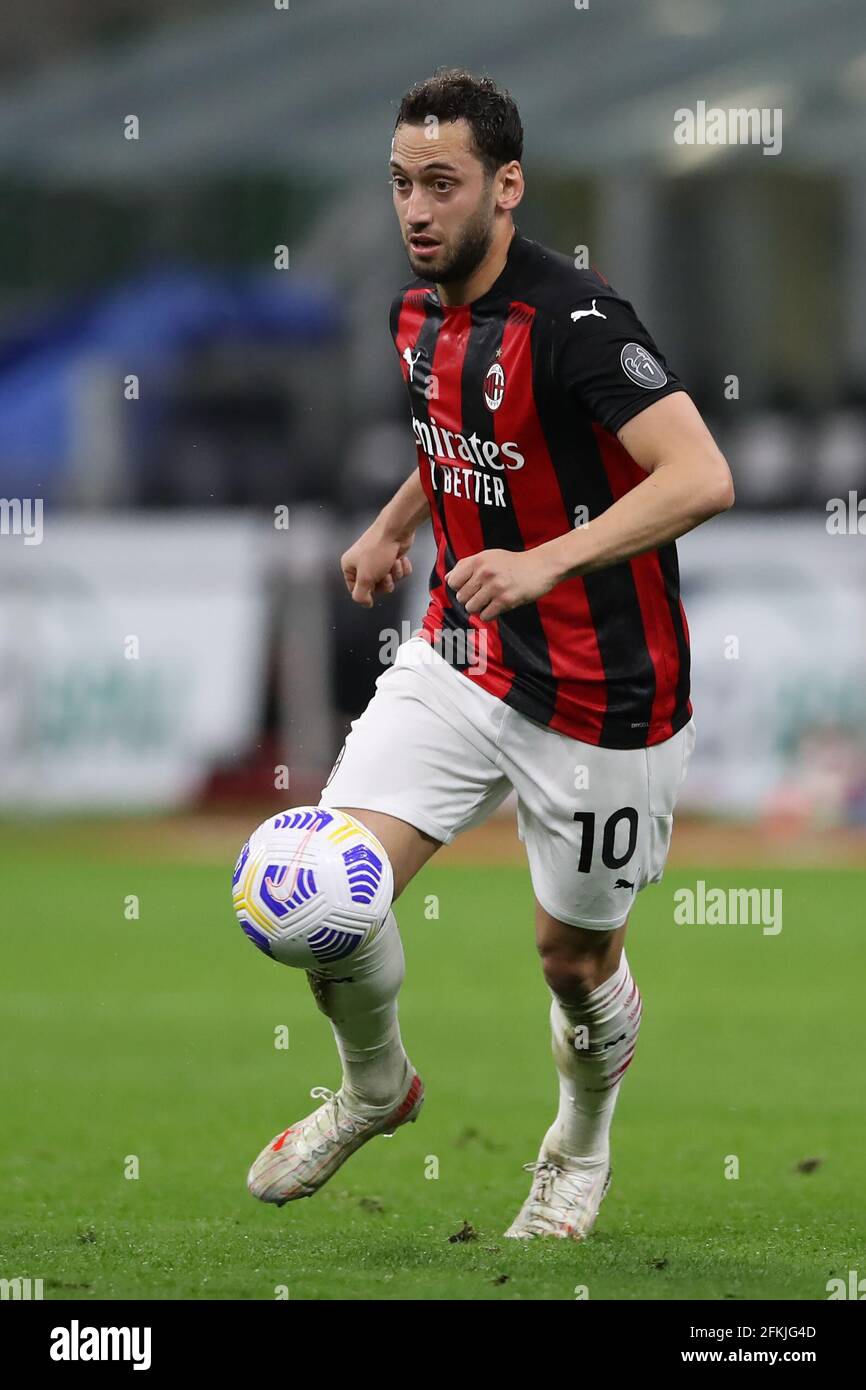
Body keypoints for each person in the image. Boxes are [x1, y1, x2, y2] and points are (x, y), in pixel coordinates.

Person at [247, 67, 734, 1240]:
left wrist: (547, 558)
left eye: (441, 185)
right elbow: (464, 426)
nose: (415, 210)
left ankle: (577, 1142)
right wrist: (396, 522)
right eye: (401, 184)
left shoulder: (576, 321)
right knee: (317, 892)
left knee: (571, 963)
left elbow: (699, 475)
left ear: (504, 187)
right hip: (463, 655)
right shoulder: (410, 309)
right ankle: (373, 1089)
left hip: (602, 694)